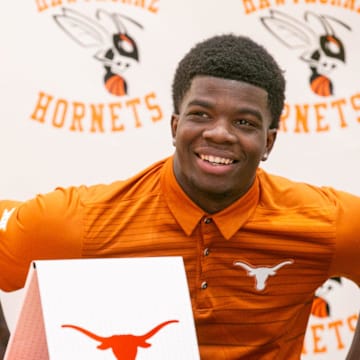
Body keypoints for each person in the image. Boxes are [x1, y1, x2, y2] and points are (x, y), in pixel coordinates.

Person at [0, 34, 359, 359]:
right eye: (200, 114)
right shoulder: (82, 220)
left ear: (268, 142)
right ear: (175, 127)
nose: (219, 134)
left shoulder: (324, 222)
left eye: (244, 122)